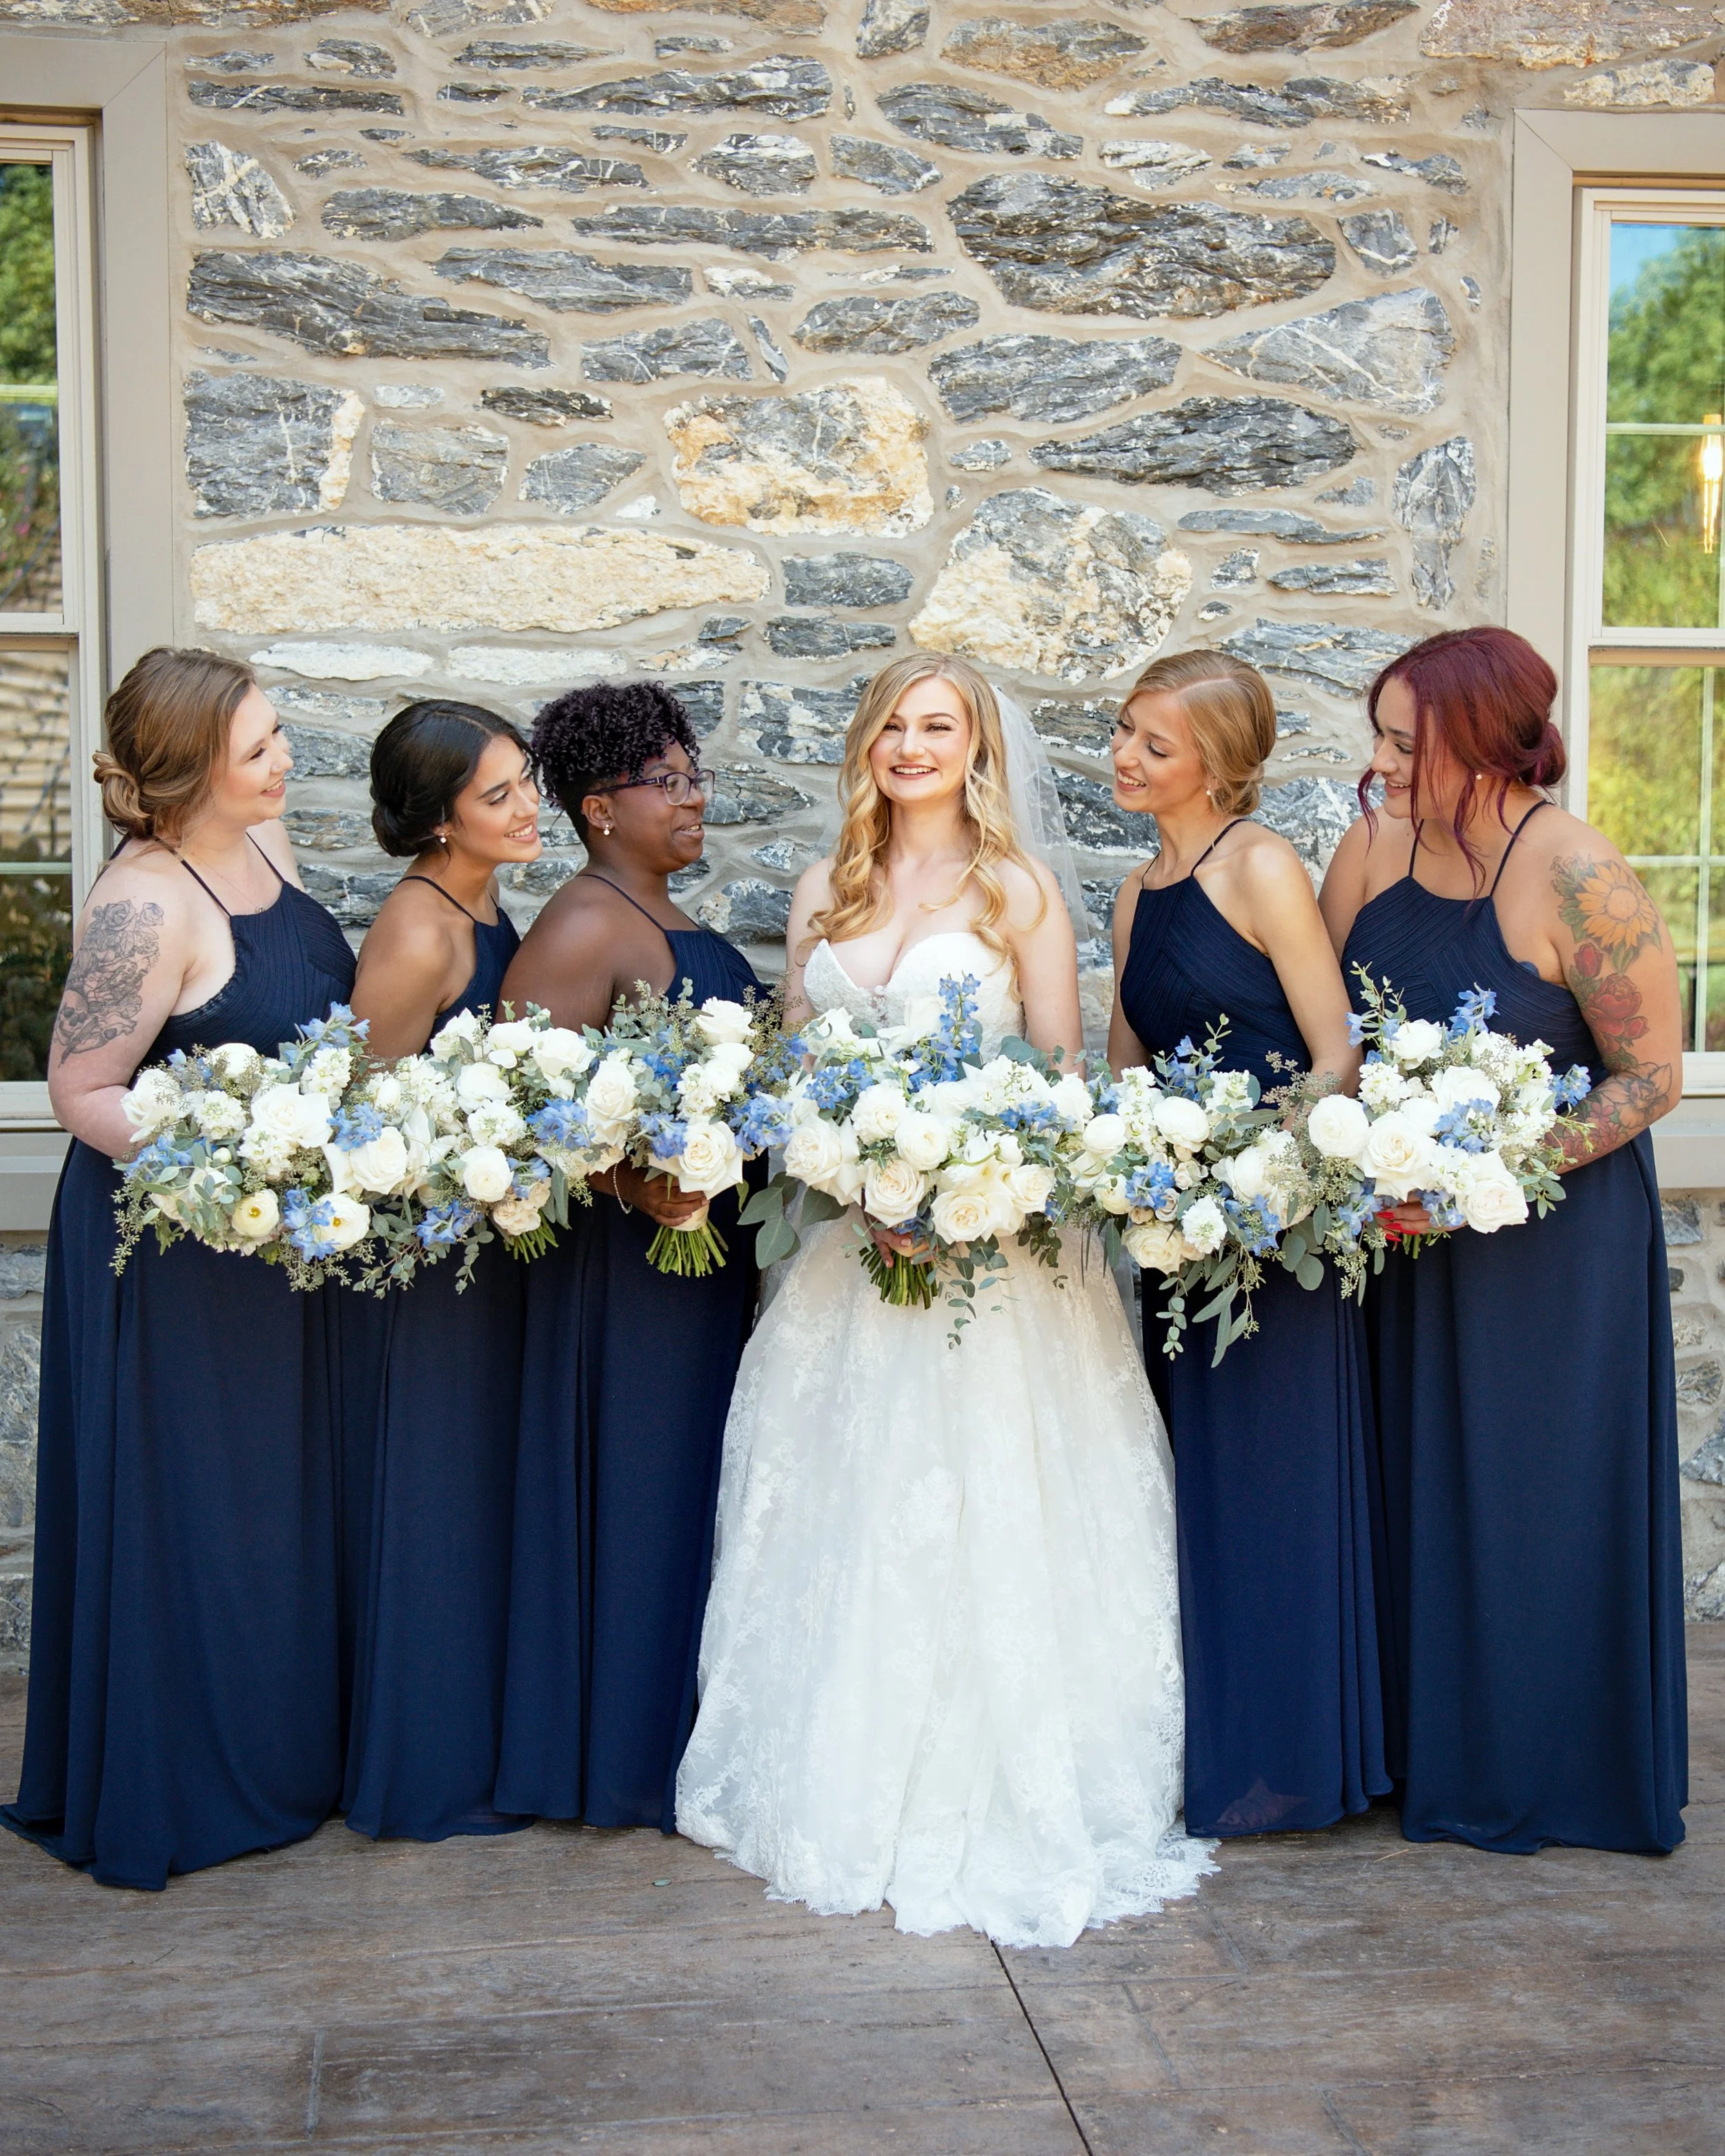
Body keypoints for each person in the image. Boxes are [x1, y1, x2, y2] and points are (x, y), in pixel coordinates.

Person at [676, 653, 1215, 1950]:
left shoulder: (1018, 890)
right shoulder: (826, 890)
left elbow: (1058, 1074)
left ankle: (1006, 1778)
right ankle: (839, 1764)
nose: (912, 746)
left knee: (992, 1501)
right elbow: (801, 1069)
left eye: (940, 726)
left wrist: (961, 1173)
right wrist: (854, 1175)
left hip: (993, 1254)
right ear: (867, 744)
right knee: (850, 1500)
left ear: (976, 748)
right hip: (845, 1258)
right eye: (895, 727)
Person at [1319, 624, 1688, 1855]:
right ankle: (1409, 1752)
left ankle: (1541, 1768)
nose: (1378, 763)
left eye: (1402, 741)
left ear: (1483, 745)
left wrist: (1488, 1171)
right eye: (1380, 731)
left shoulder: (1577, 869)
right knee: (1405, 1481)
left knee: (1532, 1497)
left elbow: (1650, 1079)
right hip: (1398, 1239)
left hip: (1551, 1250)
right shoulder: (1373, 845)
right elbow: (1329, 1031)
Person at [2, 648, 355, 1889]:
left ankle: (280, 1757)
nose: (283, 761)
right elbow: (80, 1088)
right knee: (188, 1508)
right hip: (169, 1248)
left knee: (273, 1511)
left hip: (276, 1249)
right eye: (258, 748)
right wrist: (227, 1169)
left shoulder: (268, 854)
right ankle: (178, 1780)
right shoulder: (143, 900)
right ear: (191, 766)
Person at [1108, 650, 1389, 1839]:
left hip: (1280, 1241)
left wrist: (1262, 1173)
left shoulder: (1265, 866)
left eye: (1153, 746)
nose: (1125, 757)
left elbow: (1338, 1058)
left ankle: (1292, 1765)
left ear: (1218, 764)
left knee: (1278, 1488)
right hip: (1183, 1238)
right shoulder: (1135, 889)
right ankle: (1217, 1751)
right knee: (1198, 1489)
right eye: (1125, 733)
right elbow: (1126, 1062)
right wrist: (1140, 1168)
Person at [493, 682, 762, 1833]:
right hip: (631, 1279)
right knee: (644, 1494)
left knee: (696, 1492)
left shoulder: (659, 907)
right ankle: (622, 1756)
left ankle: (680, 1739)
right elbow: (509, 1108)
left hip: (703, 1269)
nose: (695, 796)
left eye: (694, 773)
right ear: (602, 808)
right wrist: (634, 1181)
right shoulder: (585, 922)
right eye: (671, 781)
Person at [337, 701, 542, 1842]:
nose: (527, 809)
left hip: (490, 1250)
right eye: (498, 794)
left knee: (481, 1495)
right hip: (430, 1269)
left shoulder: (483, 897)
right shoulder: (420, 930)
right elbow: (361, 1127)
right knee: (438, 1497)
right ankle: (425, 1768)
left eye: (524, 783)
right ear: (437, 818)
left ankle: (479, 1739)